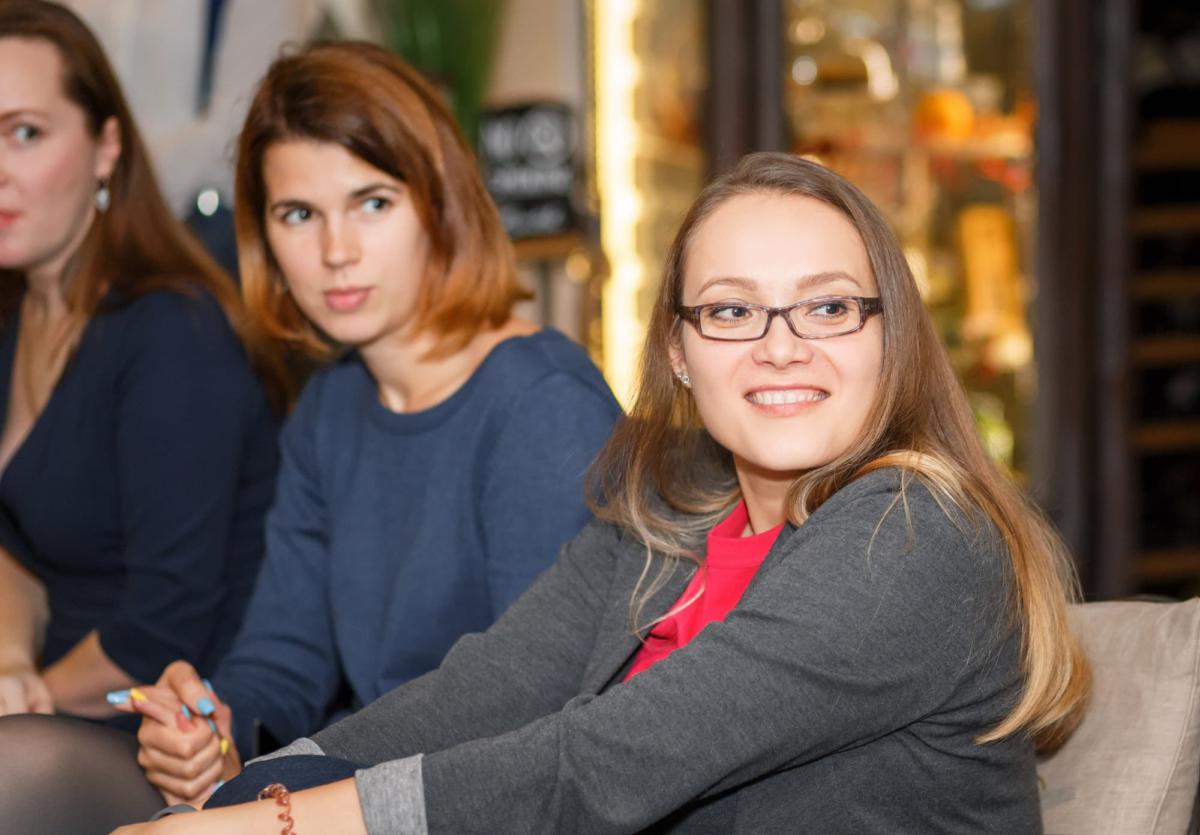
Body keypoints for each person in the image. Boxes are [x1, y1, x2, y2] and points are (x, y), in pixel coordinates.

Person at [111, 151, 1091, 834]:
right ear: (680, 349)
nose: (781, 345)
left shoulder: (914, 531)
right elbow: (486, 689)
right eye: (732, 311)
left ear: (890, 335)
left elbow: (602, 762)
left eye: (829, 306)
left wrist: (274, 823)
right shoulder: (678, 496)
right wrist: (266, 786)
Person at [90, 38, 615, 815]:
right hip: (351, 792)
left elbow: (531, 715)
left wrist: (292, 789)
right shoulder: (329, 407)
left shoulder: (544, 406)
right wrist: (211, 727)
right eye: (299, 214)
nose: (336, 251)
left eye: (373, 203)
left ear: (439, 204)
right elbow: (283, 659)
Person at [0, 1, 287, 724]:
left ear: (106, 147)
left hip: (172, 722)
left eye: (24, 133)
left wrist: (29, 701)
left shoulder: (174, 332)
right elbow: (11, 547)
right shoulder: (17, 310)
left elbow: (163, 628)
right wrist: (9, 663)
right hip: (47, 706)